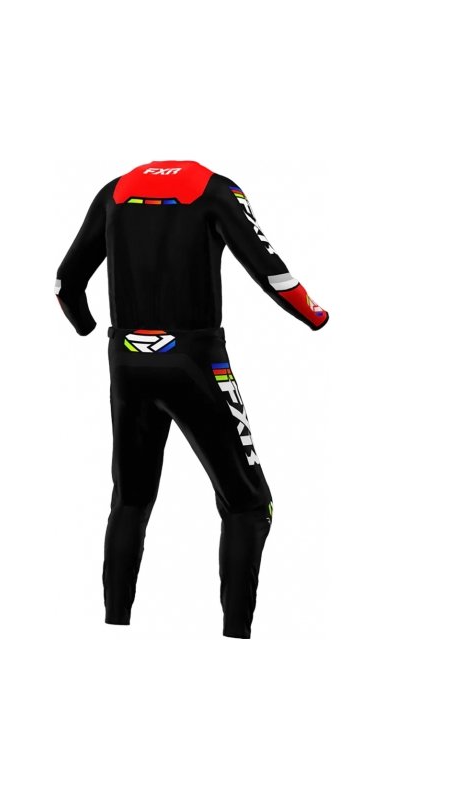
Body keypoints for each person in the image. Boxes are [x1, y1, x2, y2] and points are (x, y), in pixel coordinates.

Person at [54, 160, 329, 638]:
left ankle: (114, 630)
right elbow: (273, 274)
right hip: (195, 361)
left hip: (126, 361)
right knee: (249, 505)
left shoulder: (116, 191)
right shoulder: (212, 189)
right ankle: (236, 640)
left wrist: (85, 326)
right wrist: (317, 317)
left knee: (130, 501)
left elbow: (66, 282)